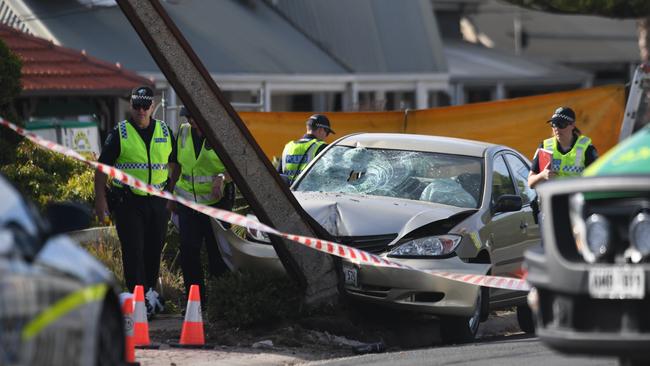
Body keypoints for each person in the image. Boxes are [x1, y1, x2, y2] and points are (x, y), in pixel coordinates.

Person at [94, 85, 177, 317]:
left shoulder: (164, 131)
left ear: (152, 107)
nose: (141, 110)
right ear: (131, 106)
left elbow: (176, 164)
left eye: (145, 106)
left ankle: (149, 294)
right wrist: (100, 200)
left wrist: (171, 193)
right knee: (133, 250)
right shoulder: (119, 133)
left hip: (158, 202)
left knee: (153, 249)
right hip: (128, 202)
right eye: (136, 105)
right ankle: (137, 298)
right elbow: (101, 169)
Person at [167, 106, 235, 304]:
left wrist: (222, 178)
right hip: (188, 203)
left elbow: (237, 169)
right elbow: (177, 167)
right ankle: (195, 302)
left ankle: (221, 302)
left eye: (194, 117)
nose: (191, 121)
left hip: (217, 204)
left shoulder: (221, 133)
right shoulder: (183, 132)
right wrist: (171, 196)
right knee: (188, 253)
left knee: (218, 255)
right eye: (188, 117)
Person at [528, 106, 598, 189]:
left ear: (572, 125)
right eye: (553, 124)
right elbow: (530, 182)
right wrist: (542, 175)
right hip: (551, 199)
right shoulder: (544, 146)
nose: (556, 128)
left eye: (561, 124)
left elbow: (597, 180)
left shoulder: (587, 148)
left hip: (576, 199)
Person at [277, 114, 335, 184]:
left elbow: (278, 175)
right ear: (320, 130)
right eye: (327, 133)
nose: (326, 137)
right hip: (310, 193)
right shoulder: (321, 147)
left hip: (287, 193)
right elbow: (331, 174)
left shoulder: (288, 146)